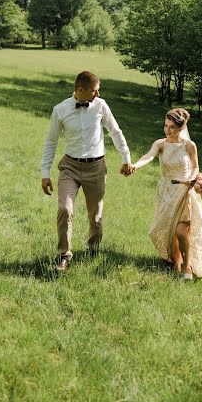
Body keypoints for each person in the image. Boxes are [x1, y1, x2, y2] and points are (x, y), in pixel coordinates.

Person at [41, 71, 132, 271]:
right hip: (70, 167)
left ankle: (93, 249)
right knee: (65, 209)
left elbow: (115, 131)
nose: (97, 95)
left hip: (96, 167)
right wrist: (45, 173)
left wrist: (126, 158)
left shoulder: (101, 106)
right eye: (94, 91)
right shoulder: (60, 109)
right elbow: (51, 142)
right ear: (80, 90)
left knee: (95, 216)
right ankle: (64, 255)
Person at [131, 108, 202, 280]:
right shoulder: (160, 144)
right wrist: (135, 166)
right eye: (166, 126)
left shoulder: (189, 146)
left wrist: (192, 179)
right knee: (169, 230)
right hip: (166, 191)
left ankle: (187, 266)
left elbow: (195, 166)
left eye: (172, 127)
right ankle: (177, 261)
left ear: (181, 128)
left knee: (181, 231)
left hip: (184, 191)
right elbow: (148, 156)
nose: (167, 130)